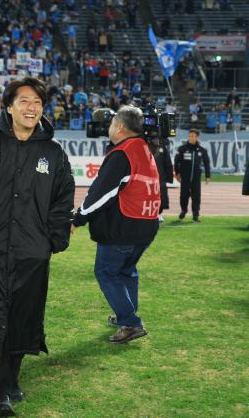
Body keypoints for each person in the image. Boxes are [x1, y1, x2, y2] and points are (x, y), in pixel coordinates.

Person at [0, 77, 75, 417]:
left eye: (37, 102)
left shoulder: (53, 152)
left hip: (31, 255)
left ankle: (11, 378)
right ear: (9, 106)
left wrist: (53, 239)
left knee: (22, 319)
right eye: (24, 101)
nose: (31, 108)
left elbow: (62, 199)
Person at [71, 106, 160, 345]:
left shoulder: (123, 153)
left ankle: (130, 322)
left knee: (106, 272)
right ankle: (126, 314)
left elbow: (102, 193)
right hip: (147, 224)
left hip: (123, 227)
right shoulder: (145, 148)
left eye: (111, 124)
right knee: (126, 271)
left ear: (119, 126)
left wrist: (78, 218)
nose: (108, 128)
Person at [174, 129, 210, 223]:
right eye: (190, 136)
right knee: (183, 196)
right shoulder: (182, 149)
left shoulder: (202, 150)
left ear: (197, 137)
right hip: (185, 178)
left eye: (193, 136)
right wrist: (177, 173)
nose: (191, 138)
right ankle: (183, 211)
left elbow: (207, 163)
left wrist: (207, 176)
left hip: (196, 179)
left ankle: (195, 215)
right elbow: (176, 162)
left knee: (196, 197)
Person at [152, 138, 174, 222]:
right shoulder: (144, 147)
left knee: (161, 196)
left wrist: (169, 178)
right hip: (148, 178)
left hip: (160, 178)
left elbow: (168, 163)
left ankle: (159, 213)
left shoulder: (162, 149)